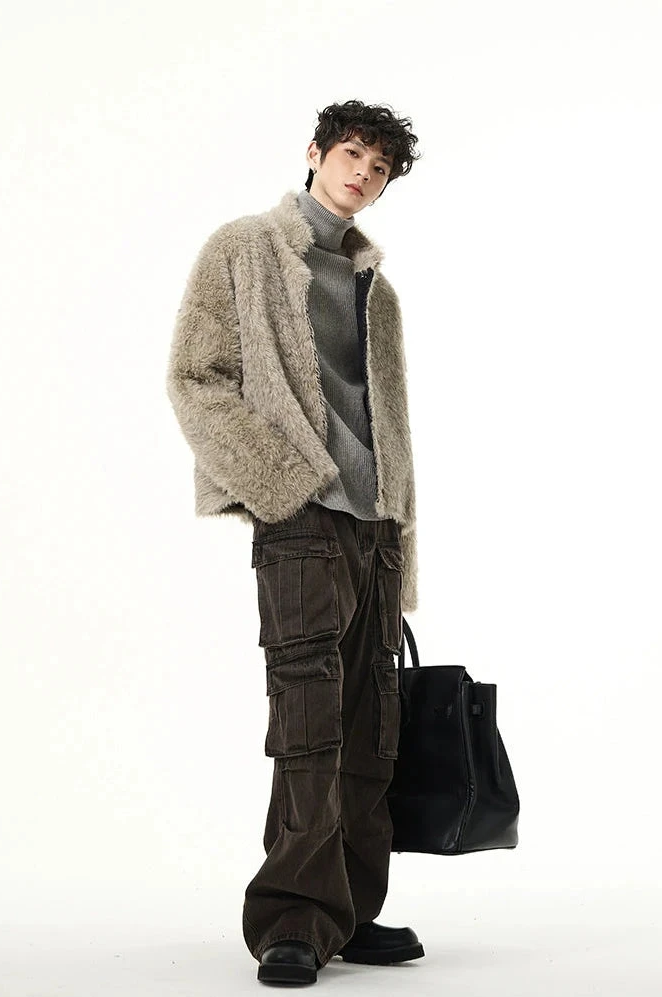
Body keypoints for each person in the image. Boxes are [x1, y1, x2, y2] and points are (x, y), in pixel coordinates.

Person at [166, 99, 423, 986]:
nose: (363, 174)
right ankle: (293, 919)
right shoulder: (245, 248)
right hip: (304, 523)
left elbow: (389, 425)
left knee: (371, 731)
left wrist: (401, 535)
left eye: (380, 169)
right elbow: (195, 377)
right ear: (315, 152)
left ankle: (348, 911)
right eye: (352, 154)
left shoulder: (376, 290)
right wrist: (286, 485)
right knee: (309, 726)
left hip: (375, 529)